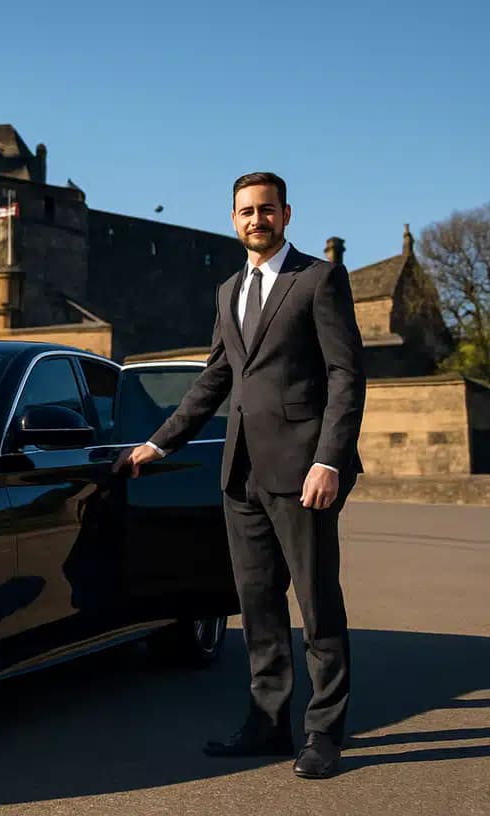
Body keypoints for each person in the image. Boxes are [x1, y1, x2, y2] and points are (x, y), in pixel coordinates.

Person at [121, 172, 365, 779]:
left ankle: (324, 733)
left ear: (286, 214)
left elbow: (345, 375)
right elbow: (215, 379)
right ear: (234, 220)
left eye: (267, 210)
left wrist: (329, 459)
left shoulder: (318, 279)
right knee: (257, 608)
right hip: (241, 475)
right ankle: (266, 722)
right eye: (245, 212)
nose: (256, 220)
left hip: (305, 471)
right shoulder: (229, 289)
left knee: (317, 605)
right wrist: (159, 442)